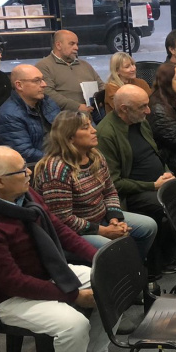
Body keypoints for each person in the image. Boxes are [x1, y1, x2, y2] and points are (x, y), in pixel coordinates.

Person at [0, 146, 127, 352]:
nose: (29, 172)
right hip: (9, 297)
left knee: (113, 280)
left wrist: (99, 261)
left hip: (47, 272)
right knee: (73, 325)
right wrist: (73, 296)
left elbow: (60, 229)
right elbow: (13, 283)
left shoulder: (26, 196)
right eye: (21, 170)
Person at [34, 111, 157, 259]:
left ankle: (134, 267)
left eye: (91, 125)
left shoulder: (95, 156)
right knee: (113, 248)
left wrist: (114, 219)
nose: (94, 130)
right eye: (86, 128)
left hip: (101, 218)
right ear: (70, 137)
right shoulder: (57, 170)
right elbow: (63, 219)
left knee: (148, 226)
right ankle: (121, 269)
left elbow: (110, 191)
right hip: (72, 232)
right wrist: (104, 231)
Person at [96, 85, 176, 242]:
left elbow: (155, 153)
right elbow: (114, 183)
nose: (148, 111)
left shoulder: (140, 121)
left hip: (159, 182)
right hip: (134, 194)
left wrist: (167, 172)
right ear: (124, 109)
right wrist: (153, 185)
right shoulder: (106, 134)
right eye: (142, 106)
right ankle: (171, 255)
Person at [0, 64, 60, 163]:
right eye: (37, 80)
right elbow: (25, 154)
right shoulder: (8, 116)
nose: (44, 84)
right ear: (19, 85)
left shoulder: (47, 101)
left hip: (59, 155)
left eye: (42, 79)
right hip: (39, 165)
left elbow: (65, 130)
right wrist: (61, 160)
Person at [35, 30, 104, 113]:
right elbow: (47, 93)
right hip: (67, 114)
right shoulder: (44, 66)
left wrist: (101, 100)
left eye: (77, 44)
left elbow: (101, 85)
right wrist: (76, 107)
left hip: (96, 109)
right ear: (58, 45)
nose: (76, 48)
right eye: (72, 44)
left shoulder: (85, 65)